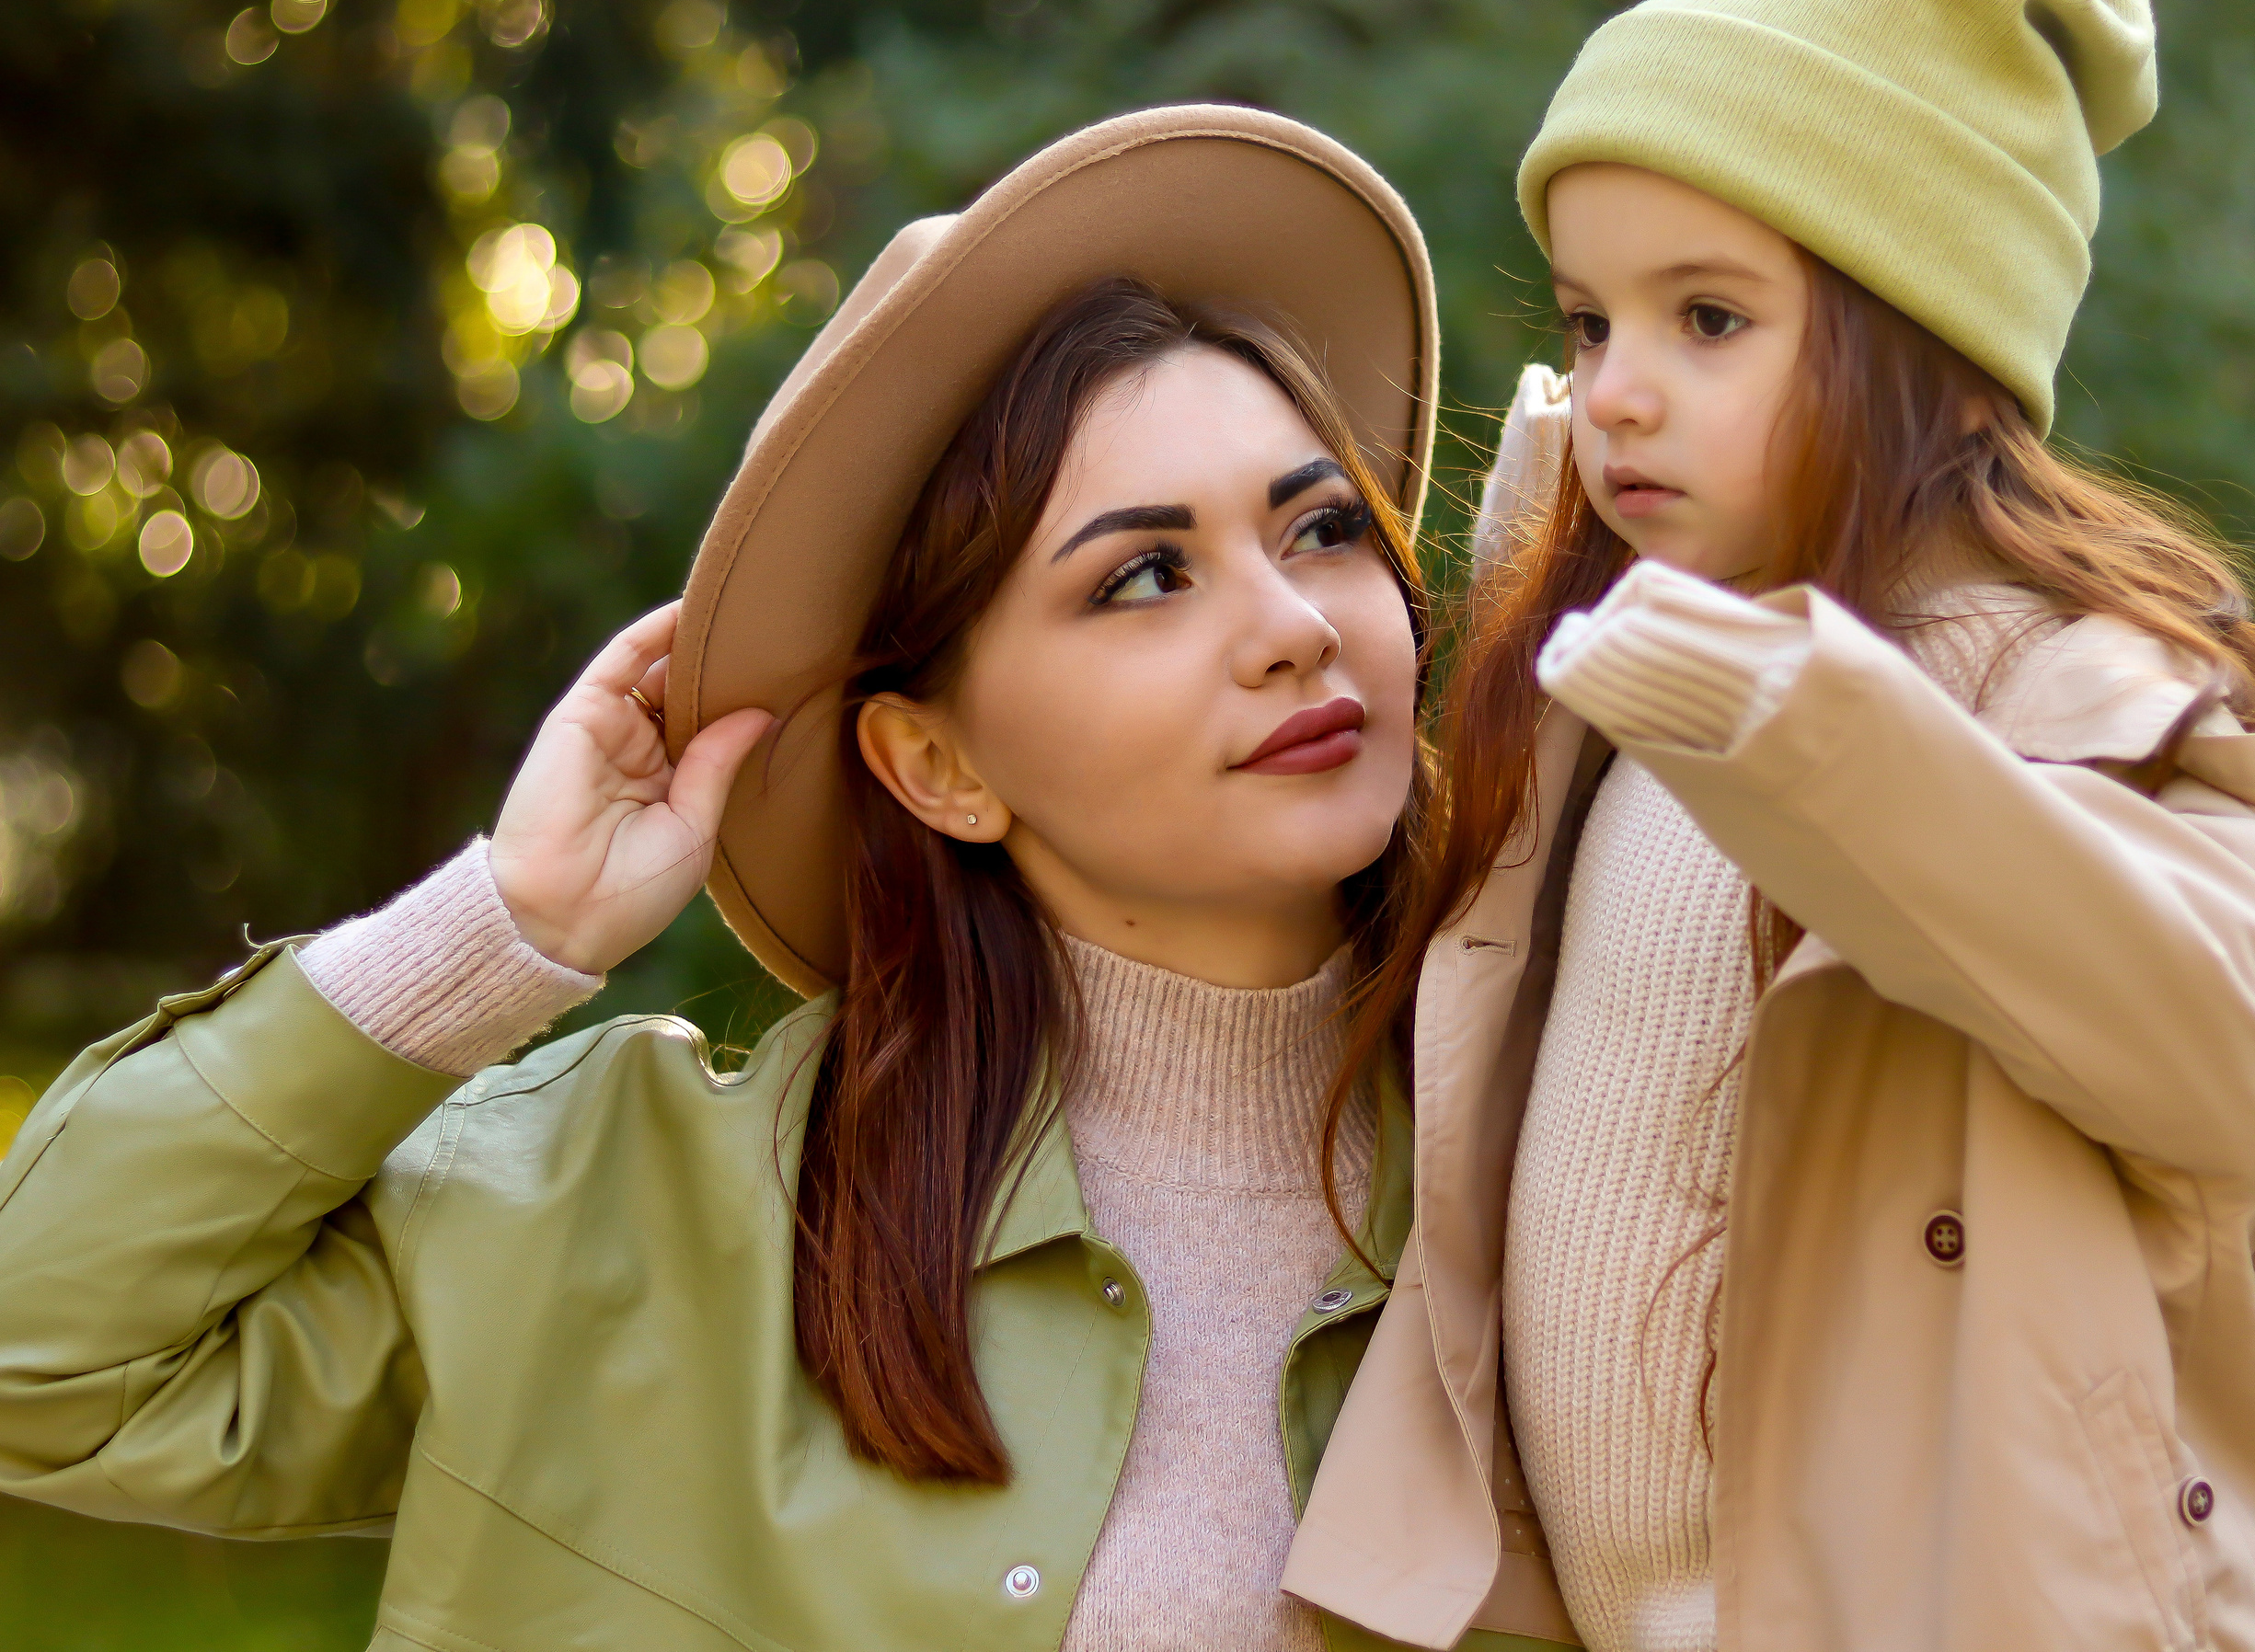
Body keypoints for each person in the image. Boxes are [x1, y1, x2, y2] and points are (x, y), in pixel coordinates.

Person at [0, 108, 1532, 1652]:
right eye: (1145, 574)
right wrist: (502, 927)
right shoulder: (631, 1210)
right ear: (938, 766)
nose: (1294, 625)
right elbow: (42, 1353)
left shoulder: (1564, 1196)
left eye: (1323, 527)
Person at [1284, 0, 2255, 1651]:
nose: (1619, 382)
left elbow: (2248, 1064)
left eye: (1708, 316)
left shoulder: (2085, 692)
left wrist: (1833, 754)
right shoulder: (1627, 693)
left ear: (1920, 335)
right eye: (1590, 320)